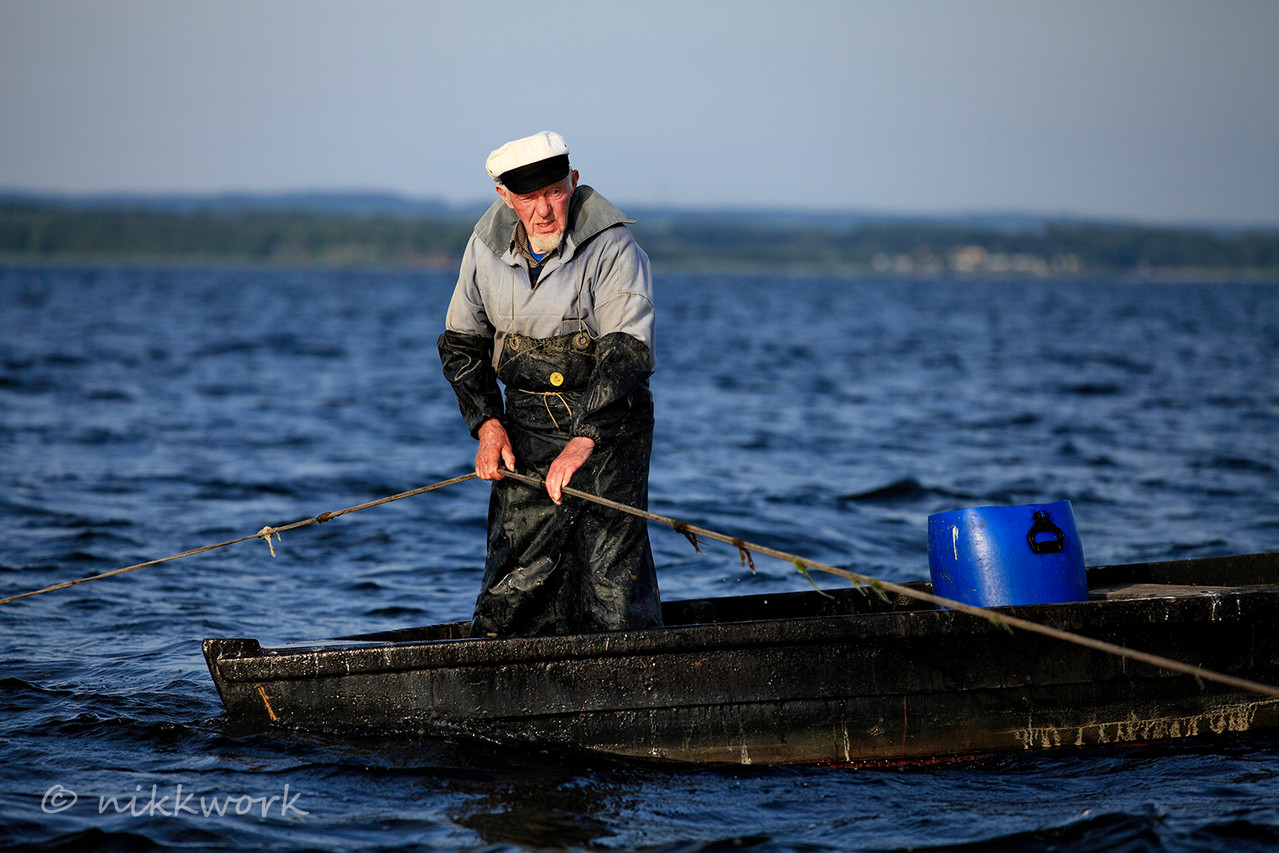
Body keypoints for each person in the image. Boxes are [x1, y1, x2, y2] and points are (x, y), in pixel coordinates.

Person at [438, 131, 663, 638]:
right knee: (517, 578)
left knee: (610, 578)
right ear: (505, 197)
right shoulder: (483, 246)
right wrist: (487, 426)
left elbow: (627, 353)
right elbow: (460, 346)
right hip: (523, 431)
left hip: (607, 433)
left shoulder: (613, 245)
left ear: (574, 182)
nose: (544, 210)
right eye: (529, 199)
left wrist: (584, 440)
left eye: (555, 193)